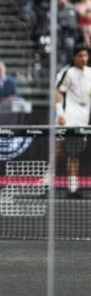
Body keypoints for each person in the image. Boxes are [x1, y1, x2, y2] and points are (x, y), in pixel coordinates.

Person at [55, 47, 91, 199]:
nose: (83, 58)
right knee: (58, 151)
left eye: (85, 55)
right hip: (67, 119)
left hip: (82, 120)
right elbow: (57, 92)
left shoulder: (90, 73)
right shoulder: (67, 72)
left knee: (74, 154)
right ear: (74, 57)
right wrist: (60, 114)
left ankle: (73, 188)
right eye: (80, 56)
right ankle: (45, 183)